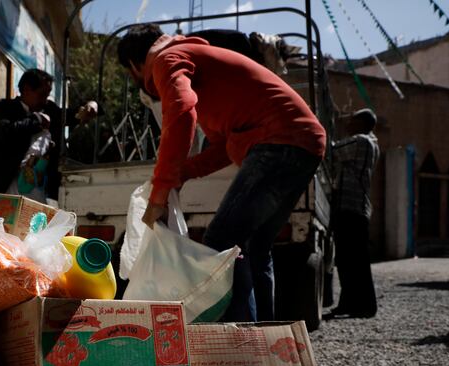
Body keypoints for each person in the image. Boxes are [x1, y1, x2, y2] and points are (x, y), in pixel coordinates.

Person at [117, 24, 326, 322]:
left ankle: (238, 338)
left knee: (222, 241)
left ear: (135, 65)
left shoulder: (167, 59)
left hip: (278, 140)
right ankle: (264, 337)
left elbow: (181, 111)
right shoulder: (199, 62)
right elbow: (222, 147)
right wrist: (183, 173)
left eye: (130, 75)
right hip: (304, 142)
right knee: (256, 247)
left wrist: (161, 191)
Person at [0, 69, 96, 202]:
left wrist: (90, 106)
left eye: (47, 95)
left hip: (37, 192)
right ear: (27, 89)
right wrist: (37, 120)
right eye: (42, 94)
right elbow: (6, 132)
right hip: (3, 188)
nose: (45, 101)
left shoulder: (49, 110)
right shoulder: (2, 107)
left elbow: (72, 115)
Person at [328, 108, 380, 318]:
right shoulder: (370, 143)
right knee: (351, 260)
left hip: (351, 207)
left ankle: (364, 306)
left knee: (353, 260)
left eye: (352, 120)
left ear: (362, 123)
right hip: (357, 207)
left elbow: (330, 150)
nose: (348, 123)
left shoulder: (360, 141)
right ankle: (350, 304)